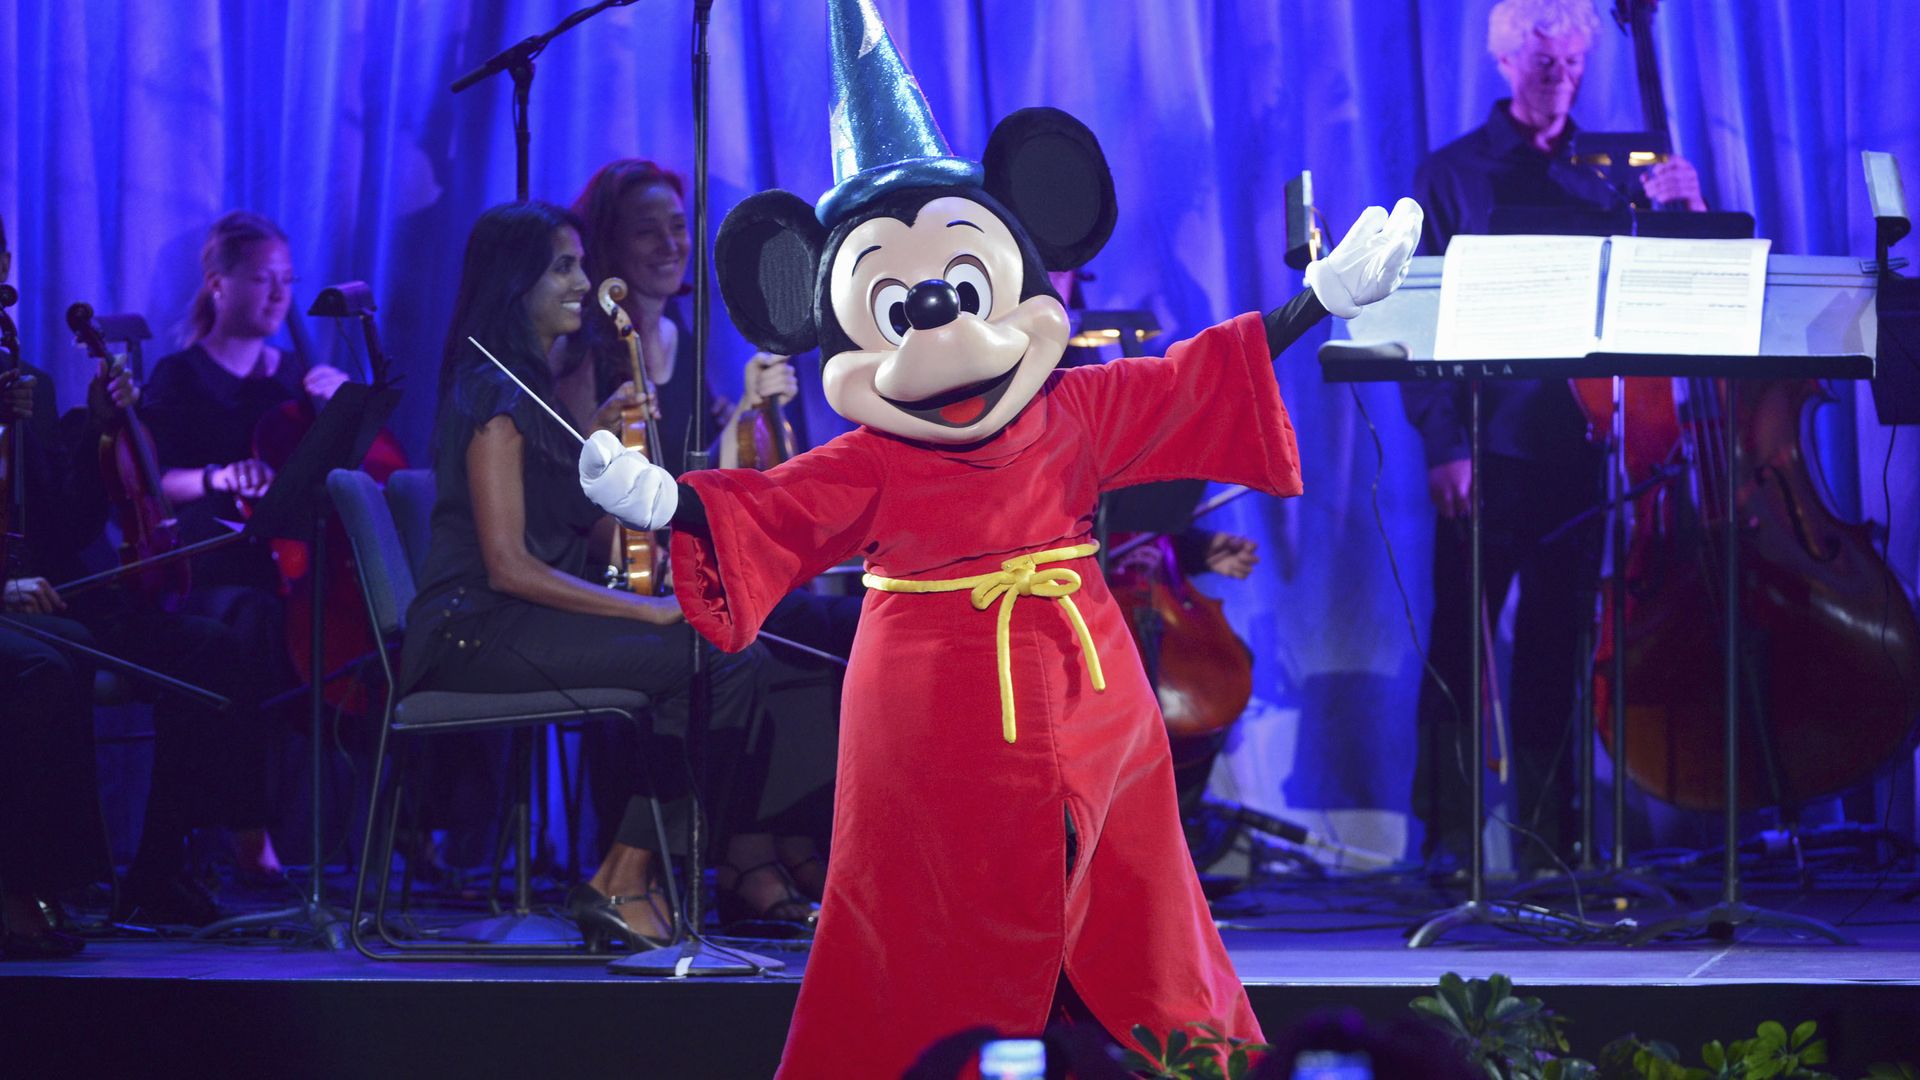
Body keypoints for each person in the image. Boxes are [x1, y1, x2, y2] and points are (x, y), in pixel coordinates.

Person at [401, 200, 770, 946]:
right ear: (516, 284)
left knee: (731, 653)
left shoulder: (532, 390)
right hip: (474, 632)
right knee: (719, 657)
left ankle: (637, 876)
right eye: (563, 266)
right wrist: (652, 614)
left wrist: (604, 451)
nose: (583, 279)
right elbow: (507, 567)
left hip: (517, 623)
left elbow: (579, 529)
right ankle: (624, 878)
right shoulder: (494, 394)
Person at [1399, 0, 1704, 874]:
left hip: (1587, 448)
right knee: (1462, 648)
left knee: (1556, 653)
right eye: (1545, 67)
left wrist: (1685, 209)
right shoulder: (1451, 174)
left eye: (1572, 67)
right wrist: (1444, 444)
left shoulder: (1610, 175)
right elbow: (1422, 323)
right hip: (1488, 450)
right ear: (1505, 63)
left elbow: (1670, 297)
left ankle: (1549, 839)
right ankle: (1449, 843)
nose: (1561, 80)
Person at [566, 159, 848, 917]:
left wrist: (753, 415)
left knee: (831, 626)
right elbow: (615, 498)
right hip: (617, 575)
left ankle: (790, 842)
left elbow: (709, 478)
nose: (670, 242)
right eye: (646, 228)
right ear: (610, 247)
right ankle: (753, 857)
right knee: (765, 639)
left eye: (677, 225)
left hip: (681, 561)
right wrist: (733, 423)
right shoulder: (590, 354)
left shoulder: (683, 341)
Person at [1, 216, 277, 926]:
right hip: (17, 609)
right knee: (51, 666)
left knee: (209, 649)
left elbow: (69, 525)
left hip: (60, 596)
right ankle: (51, 884)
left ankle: (160, 867)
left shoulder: (21, 381)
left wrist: (99, 429)